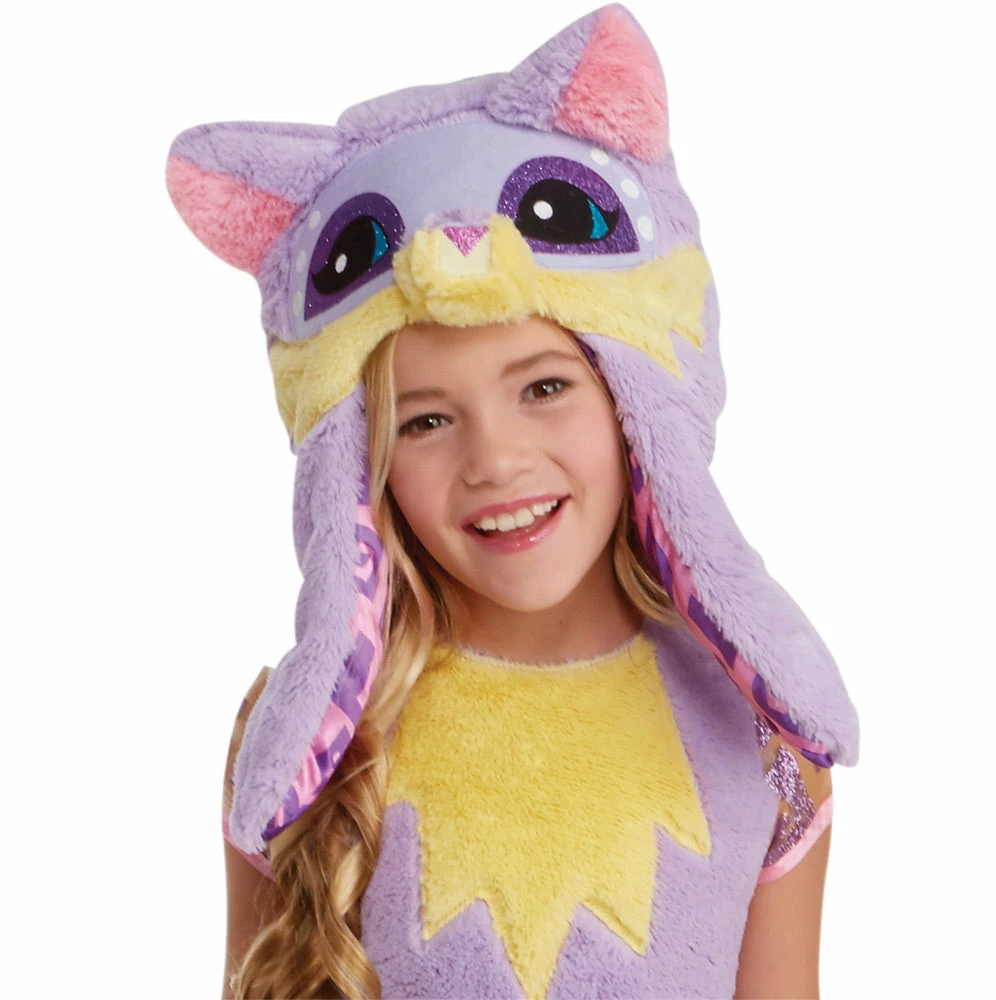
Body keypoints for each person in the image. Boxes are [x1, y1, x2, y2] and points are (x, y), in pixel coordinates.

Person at [167, 6, 858, 998]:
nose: (494, 461)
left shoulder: (757, 739)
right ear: (357, 465)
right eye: (423, 420)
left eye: (543, 386)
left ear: (635, 396)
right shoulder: (308, 751)